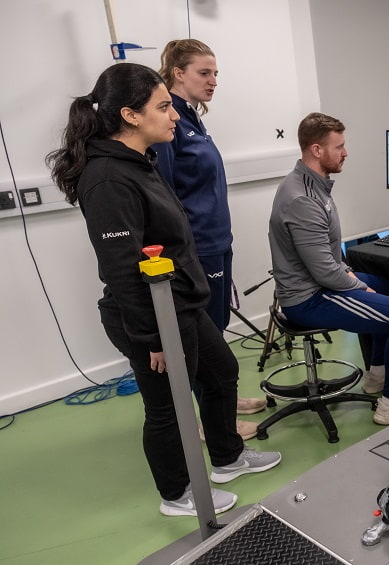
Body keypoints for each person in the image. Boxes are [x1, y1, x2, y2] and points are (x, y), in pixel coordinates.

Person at [46, 63, 281, 517]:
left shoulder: (139, 161)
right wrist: (153, 338)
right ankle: (176, 494)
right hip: (151, 316)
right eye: (164, 106)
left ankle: (228, 458)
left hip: (180, 304)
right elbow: (122, 270)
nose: (175, 115)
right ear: (131, 116)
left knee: (221, 372)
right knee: (167, 408)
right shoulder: (108, 178)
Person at [268, 112, 389, 425]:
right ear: (316, 150)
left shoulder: (312, 185)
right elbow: (324, 272)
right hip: (308, 298)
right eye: (339, 146)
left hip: (320, 282)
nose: (346, 152)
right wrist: (358, 285)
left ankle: (376, 375)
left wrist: (350, 275)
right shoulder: (302, 199)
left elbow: (327, 258)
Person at [154, 39, 267, 436]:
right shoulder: (168, 122)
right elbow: (164, 194)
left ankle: (220, 397)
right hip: (196, 248)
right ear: (177, 72)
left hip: (217, 241)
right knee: (204, 337)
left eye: (216, 73)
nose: (213, 80)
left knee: (215, 329)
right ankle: (212, 421)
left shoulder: (191, 118)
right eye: (205, 72)